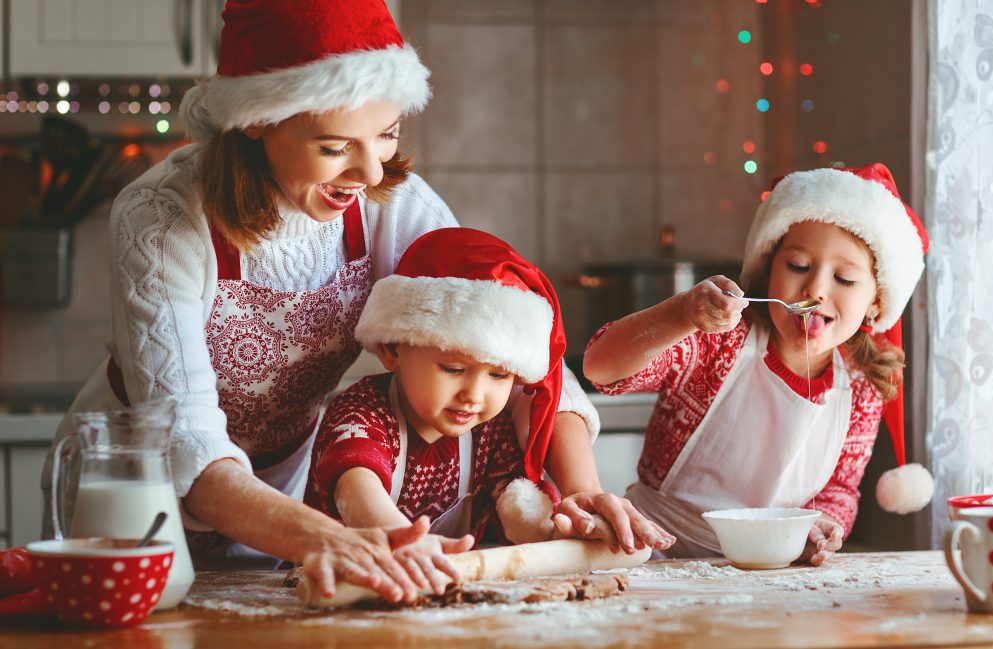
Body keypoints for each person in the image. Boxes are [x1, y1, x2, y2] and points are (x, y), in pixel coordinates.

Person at [41, 0, 668, 604]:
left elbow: (510, 341)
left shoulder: (393, 204)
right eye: (335, 147)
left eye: (387, 135)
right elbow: (188, 441)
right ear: (258, 120)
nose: (370, 172)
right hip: (136, 492)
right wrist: (342, 539)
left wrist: (581, 489)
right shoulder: (162, 220)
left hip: (288, 489)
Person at [583, 163, 935, 565]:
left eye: (845, 279)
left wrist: (819, 528)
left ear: (876, 301)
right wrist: (681, 314)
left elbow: (839, 488)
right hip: (655, 556)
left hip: (768, 572)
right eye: (799, 266)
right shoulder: (719, 341)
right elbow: (600, 367)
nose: (816, 289)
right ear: (769, 270)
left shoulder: (860, 384)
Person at [305, 228, 626, 594]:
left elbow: (517, 505)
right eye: (453, 369)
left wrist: (563, 531)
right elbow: (356, 488)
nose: (475, 395)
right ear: (393, 350)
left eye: (498, 375)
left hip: (433, 597)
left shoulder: (488, 431)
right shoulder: (363, 412)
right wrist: (400, 540)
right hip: (336, 588)